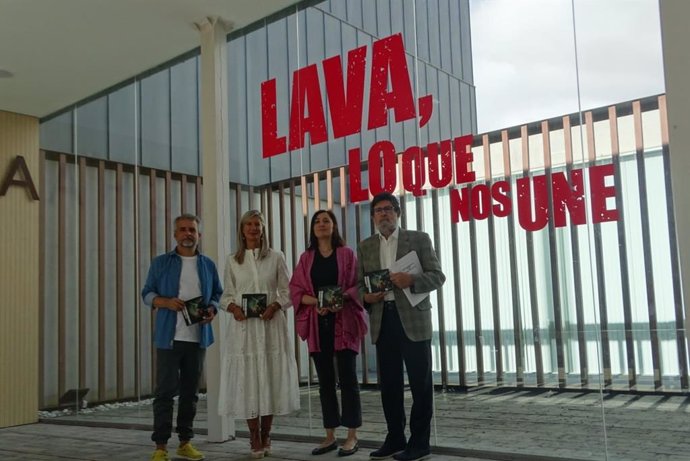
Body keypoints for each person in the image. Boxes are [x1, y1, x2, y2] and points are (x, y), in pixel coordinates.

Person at [357, 192, 446, 461]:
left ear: (398, 213)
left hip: (414, 319)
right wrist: (365, 297)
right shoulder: (365, 246)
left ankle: (420, 444)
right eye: (378, 210)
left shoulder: (418, 239)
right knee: (390, 386)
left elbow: (437, 276)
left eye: (389, 209)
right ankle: (395, 438)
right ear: (373, 217)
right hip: (383, 319)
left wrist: (412, 280)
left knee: (420, 384)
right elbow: (361, 285)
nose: (384, 214)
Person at [218, 209, 300, 459]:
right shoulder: (233, 260)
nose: (253, 228)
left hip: (269, 326)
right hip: (243, 330)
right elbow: (226, 295)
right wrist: (233, 308)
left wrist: (275, 306)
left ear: (263, 229)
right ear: (242, 230)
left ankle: (267, 433)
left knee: (269, 377)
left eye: (257, 224)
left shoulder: (276, 257)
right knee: (248, 380)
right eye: (249, 224)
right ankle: (253, 436)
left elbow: (287, 292)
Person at [142, 213, 223, 461]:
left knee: (190, 393)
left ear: (199, 235)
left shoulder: (208, 264)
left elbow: (218, 294)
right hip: (169, 337)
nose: (188, 233)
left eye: (192, 230)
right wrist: (164, 301)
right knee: (164, 392)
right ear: (175, 234)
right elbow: (146, 294)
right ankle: (160, 447)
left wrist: (213, 310)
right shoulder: (160, 263)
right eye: (183, 229)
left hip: (197, 338)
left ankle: (185, 442)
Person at [289, 210, 368, 457]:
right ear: (312, 229)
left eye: (326, 220)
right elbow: (295, 290)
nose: (321, 224)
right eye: (317, 221)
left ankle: (352, 435)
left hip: (343, 321)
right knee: (324, 382)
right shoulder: (306, 258)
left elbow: (358, 284)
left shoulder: (347, 254)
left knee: (348, 379)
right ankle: (330, 435)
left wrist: (340, 298)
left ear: (334, 226)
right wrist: (318, 303)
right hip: (317, 322)